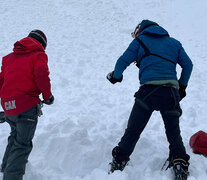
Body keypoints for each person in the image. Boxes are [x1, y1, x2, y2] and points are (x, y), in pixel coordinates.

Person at [107, 20, 193, 179]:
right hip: (171, 93)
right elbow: (188, 65)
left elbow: (122, 61)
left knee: (133, 130)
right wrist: (182, 87)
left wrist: (116, 77)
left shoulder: (139, 41)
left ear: (140, 30)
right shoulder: (174, 43)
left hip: (148, 92)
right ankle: (180, 161)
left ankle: (119, 161)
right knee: (174, 133)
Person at [0, 30, 54, 180]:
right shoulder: (38, 55)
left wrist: (6, 102)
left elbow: (1, 81)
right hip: (26, 106)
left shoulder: (9, 58)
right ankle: (11, 177)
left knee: (15, 136)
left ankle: (5, 168)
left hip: (8, 106)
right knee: (22, 144)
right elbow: (41, 74)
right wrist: (48, 97)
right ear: (42, 44)